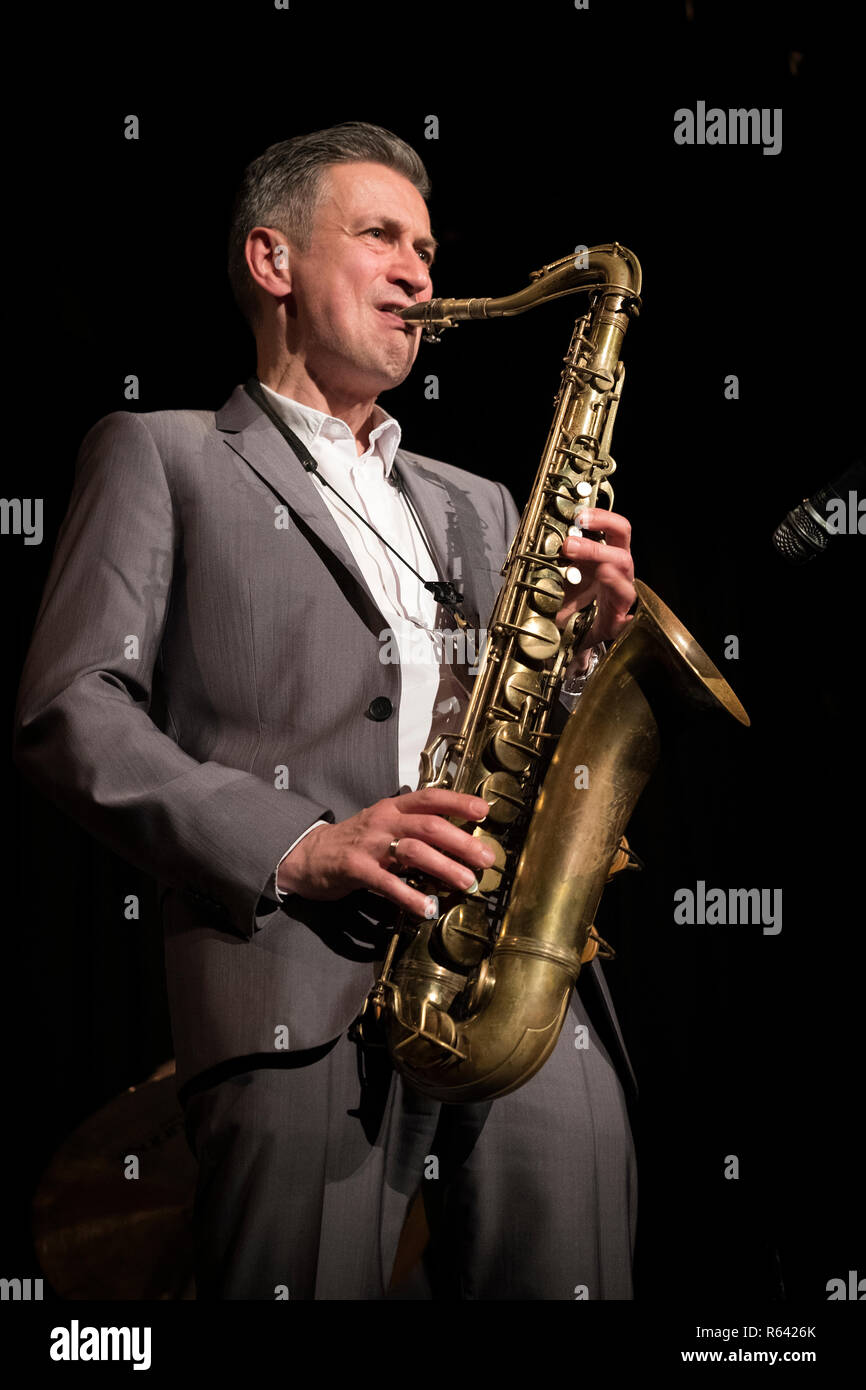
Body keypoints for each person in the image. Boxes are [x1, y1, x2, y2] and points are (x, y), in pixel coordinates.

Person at [13, 122, 640, 1300]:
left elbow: (530, 734)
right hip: (303, 993)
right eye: (380, 236)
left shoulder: (481, 501)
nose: (420, 270)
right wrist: (298, 844)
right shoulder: (163, 453)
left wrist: (586, 657)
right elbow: (71, 708)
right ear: (271, 262)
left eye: (428, 245)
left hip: (519, 987)